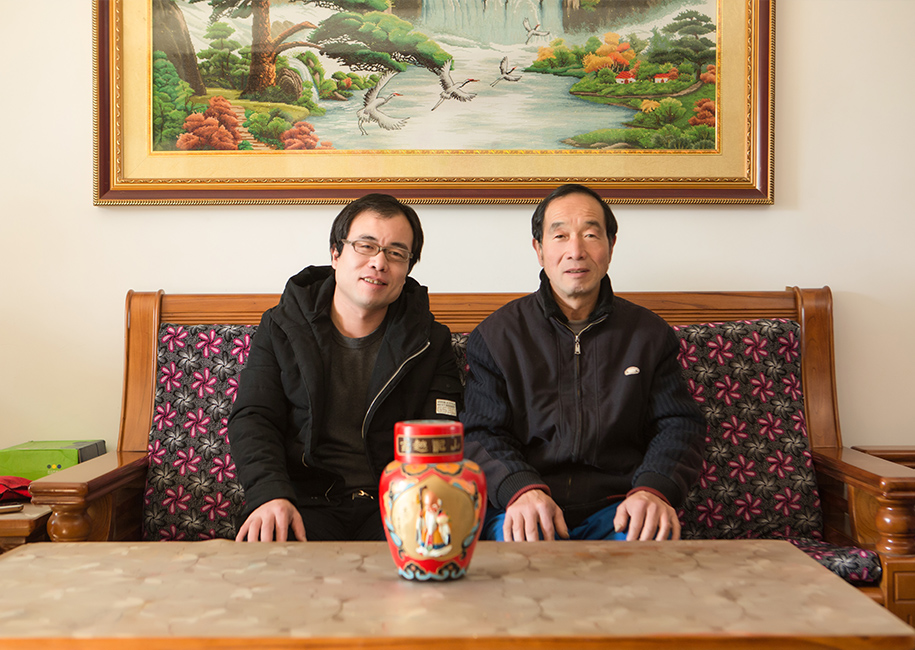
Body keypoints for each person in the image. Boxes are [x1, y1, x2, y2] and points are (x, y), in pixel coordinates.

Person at [461, 183, 705, 543]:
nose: (576, 251)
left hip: (619, 508)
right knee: (523, 550)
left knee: (649, 546)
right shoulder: (498, 336)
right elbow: (480, 432)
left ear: (611, 246)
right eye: (560, 236)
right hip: (526, 505)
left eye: (590, 234)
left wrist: (653, 490)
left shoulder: (648, 335)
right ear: (539, 249)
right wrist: (520, 489)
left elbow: (679, 424)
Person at [228, 193, 463, 542]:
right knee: (275, 550)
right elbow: (254, 417)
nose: (379, 263)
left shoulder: (429, 340)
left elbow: (439, 432)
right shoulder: (283, 326)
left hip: (396, 503)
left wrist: (423, 504)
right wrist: (269, 494)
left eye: (396, 253)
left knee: (432, 547)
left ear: (407, 270)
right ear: (336, 254)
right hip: (304, 501)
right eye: (365, 246)